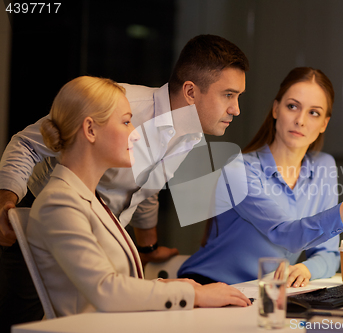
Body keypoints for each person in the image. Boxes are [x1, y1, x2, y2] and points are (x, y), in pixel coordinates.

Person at [0, 34, 248, 330]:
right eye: (229, 95)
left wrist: (147, 246)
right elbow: (27, 144)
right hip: (43, 218)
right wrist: (6, 201)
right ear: (191, 92)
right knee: (21, 322)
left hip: (102, 225)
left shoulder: (190, 134)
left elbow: (144, 190)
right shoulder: (117, 104)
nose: (236, 109)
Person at [178, 67, 343, 287]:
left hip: (264, 294)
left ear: (324, 123)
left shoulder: (324, 166)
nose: (300, 120)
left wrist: (306, 269)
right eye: (292, 106)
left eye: (313, 112)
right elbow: (285, 233)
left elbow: (328, 253)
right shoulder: (239, 169)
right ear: (276, 109)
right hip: (209, 286)